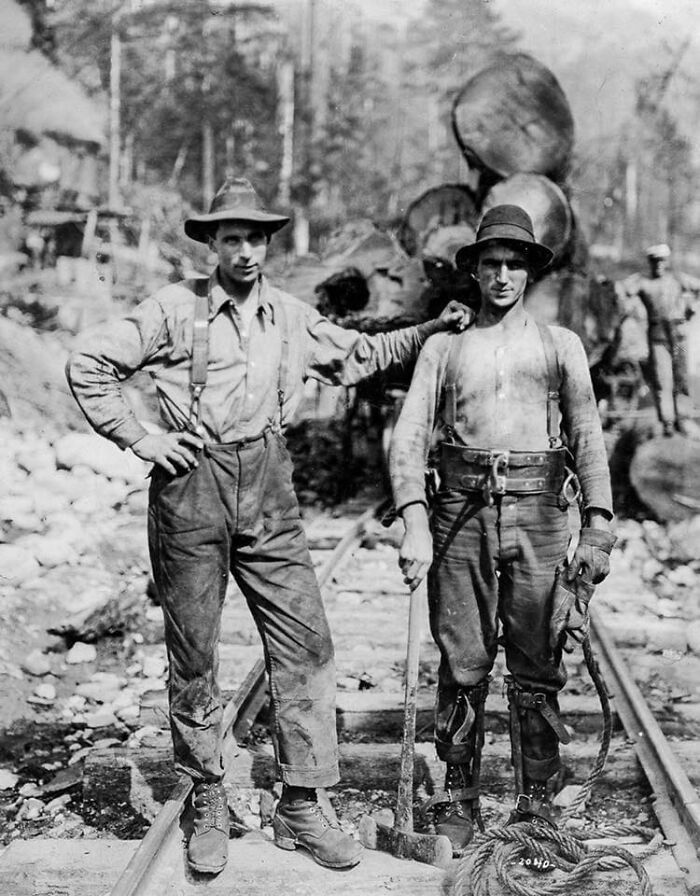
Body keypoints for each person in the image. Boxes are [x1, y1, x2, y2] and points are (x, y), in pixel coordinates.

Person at [65, 177, 470, 875]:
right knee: (195, 656)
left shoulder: (287, 315)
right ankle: (206, 797)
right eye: (233, 238)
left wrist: (430, 330)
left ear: (267, 243)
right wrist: (142, 438)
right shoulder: (174, 308)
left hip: (268, 487)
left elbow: (358, 355)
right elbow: (89, 363)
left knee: (307, 644)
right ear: (213, 244)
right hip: (191, 488)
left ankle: (301, 805)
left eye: (255, 238)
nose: (246, 251)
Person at [389, 205, 615, 857]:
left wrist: (597, 526)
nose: (503, 275)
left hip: (540, 509)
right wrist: (412, 520)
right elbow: (409, 435)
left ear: (531, 271)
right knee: (462, 657)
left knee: (538, 659)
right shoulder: (445, 347)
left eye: (515, 263)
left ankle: (535, 800)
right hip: (460, 511)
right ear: (475, 270)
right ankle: (458, 795)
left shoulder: (559, 345)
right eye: (492, 262)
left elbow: (586, 433)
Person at [619, 243, 700, 437]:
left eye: (662, 260)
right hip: (658, 339)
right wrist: (629, 305)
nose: (659, 265)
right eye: (655, 261)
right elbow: (621, 290)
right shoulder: (643, 282)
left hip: (679, 337)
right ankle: (667, 422)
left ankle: (684, 419)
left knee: (681, 376)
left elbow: (697, 287)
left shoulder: (678, 278)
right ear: (650, 262)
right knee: (663, 379)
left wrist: (692, 306)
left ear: (667, 261)